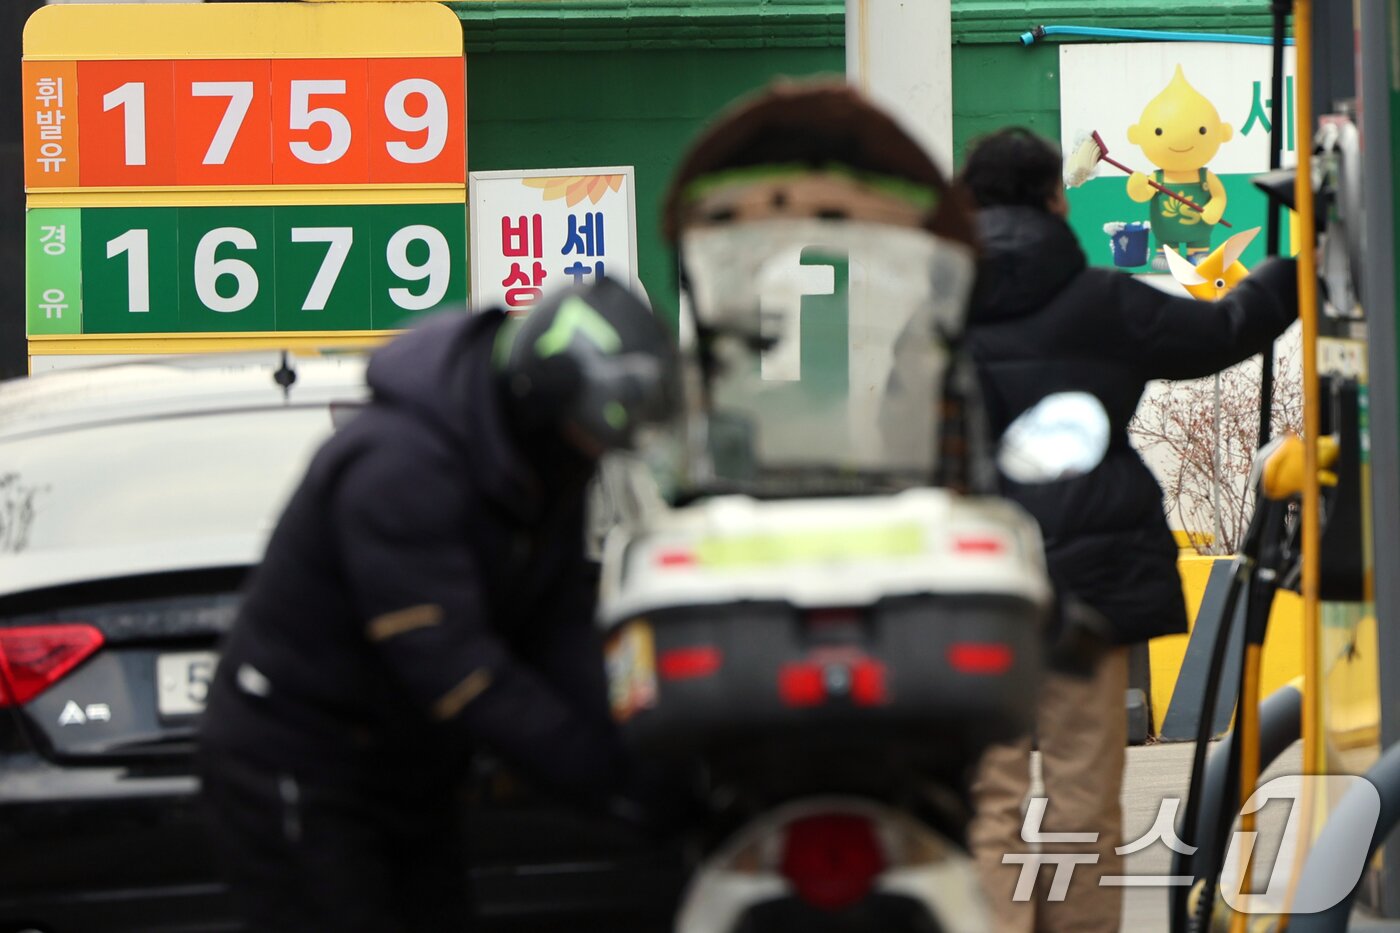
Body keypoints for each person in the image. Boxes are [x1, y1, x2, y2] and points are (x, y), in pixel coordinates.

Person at [197, 277, 680, 932]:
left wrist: (644, 751)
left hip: (406, 763)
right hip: (300, 762)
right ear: (540, 403)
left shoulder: (544, 463)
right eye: (586, 435)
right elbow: (457, 670)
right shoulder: (399, 467)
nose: (593, 453)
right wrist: (601, 776)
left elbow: (556, 622)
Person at [958, 126, 1298, 932]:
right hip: (1091, 580)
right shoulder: (1102, 302)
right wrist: (1296, 265)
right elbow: (1221, 333)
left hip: (977, 582)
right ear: (1056, 198)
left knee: (991, 795)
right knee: (1083, 792)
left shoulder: (937, 309)